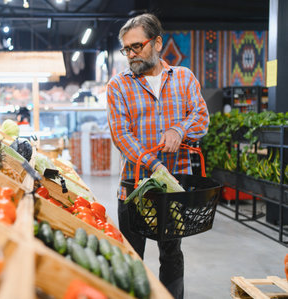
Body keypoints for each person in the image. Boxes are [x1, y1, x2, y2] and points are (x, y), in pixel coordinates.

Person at [106, 13, 209, 299]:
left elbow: (201, 118)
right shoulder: (118, 86)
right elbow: (122, 136)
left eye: (137, 46)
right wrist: (157, 168)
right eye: (126, 49)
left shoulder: (184, 78)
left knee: (172, 253)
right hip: (134, 188)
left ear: (158, 43)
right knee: (131, 257)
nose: (131, 54)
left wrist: (179, 129)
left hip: (175, 189)